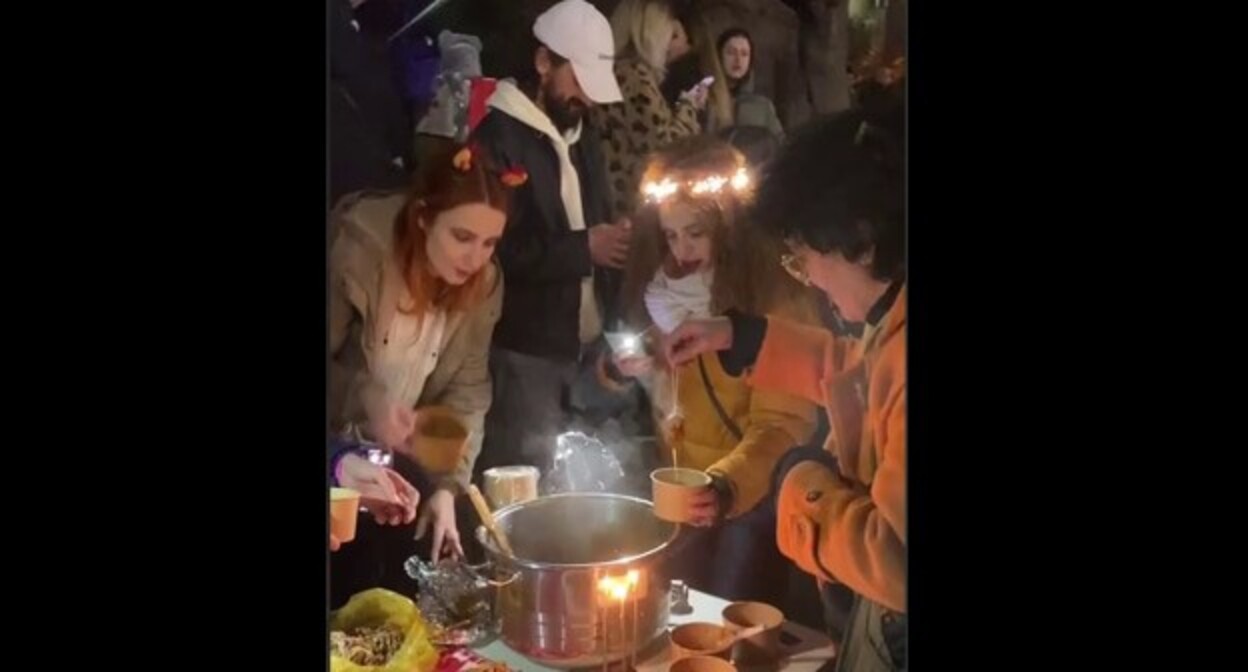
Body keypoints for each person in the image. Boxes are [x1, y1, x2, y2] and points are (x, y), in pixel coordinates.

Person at [663, 108, 906, 671]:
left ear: (862, 241)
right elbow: (866, 372)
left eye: (807, 257)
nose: (811, 279)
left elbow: (895, 560)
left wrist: (798, 482)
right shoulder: (890, 317)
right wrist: (743, 337)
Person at [610, 136, 818, 602]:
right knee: (673, 616)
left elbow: (784, 423)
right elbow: (662, 368)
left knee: (726, 621)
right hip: (681, 486)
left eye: (696, 232)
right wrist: (623, 366)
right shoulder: (663, 289)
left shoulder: (775, 296)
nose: (681, 249)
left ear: (730, 227)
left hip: (746, 496)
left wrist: (725, 486)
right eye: (670, 234)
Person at [330, 139, 516, 567]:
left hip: (391, 469)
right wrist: (369, 398)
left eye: (490, 242)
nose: (476, 258)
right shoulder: (359, 253)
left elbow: (467, 391)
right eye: (462, 236)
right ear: (422, 219)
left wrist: (447, 487)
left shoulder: (483, 283)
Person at [470, 0, 635, 475]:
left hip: (585, 344)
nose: (585, 97)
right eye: (577, 80)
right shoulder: (496, 140)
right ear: (544, 63)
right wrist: (584, 248)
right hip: (524, 351)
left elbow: (597, 218)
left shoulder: (582, 134)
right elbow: (492, 253)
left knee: (584, 482)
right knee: (525, 476)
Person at [592, 0, 707, 221]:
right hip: (632, 209)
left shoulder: (616, 72)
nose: (669, 43)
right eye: (668, 32)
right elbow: (665, 149)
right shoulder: (634, 76)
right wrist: (689, 106)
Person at [711, 27, 784, 139]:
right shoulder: (704, 99)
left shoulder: (762, 107)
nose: (738, 59)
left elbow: (780, 143)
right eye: (731, 52)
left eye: (744, 54)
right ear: (719, 56)